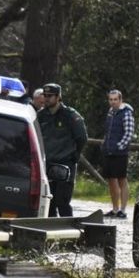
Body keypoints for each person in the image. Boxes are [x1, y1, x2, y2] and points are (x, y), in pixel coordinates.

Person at [37, 83, 88, 217]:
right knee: (49, 202)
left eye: (50, 96)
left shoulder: (70, 115)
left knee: (63, 201)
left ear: (58, 97)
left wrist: (74, 156)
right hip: (47, 164)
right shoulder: (41, 115)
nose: (46, 99)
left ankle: (69, 233)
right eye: (45, 95)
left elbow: (81, 138)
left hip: (65, 165)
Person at [102, 89, 134, 218]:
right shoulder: (110, 112)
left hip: (120, 153)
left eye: (115, 99)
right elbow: (107, 132)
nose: (113, 102)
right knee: (110, 180)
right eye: (111, 99)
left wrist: (119, 146)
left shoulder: (126, 113)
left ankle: (123, 210)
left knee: (122, 179)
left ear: (120, 100)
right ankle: (114, 209)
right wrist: (105, 145)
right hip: (108, 151)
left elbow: (129, 133)